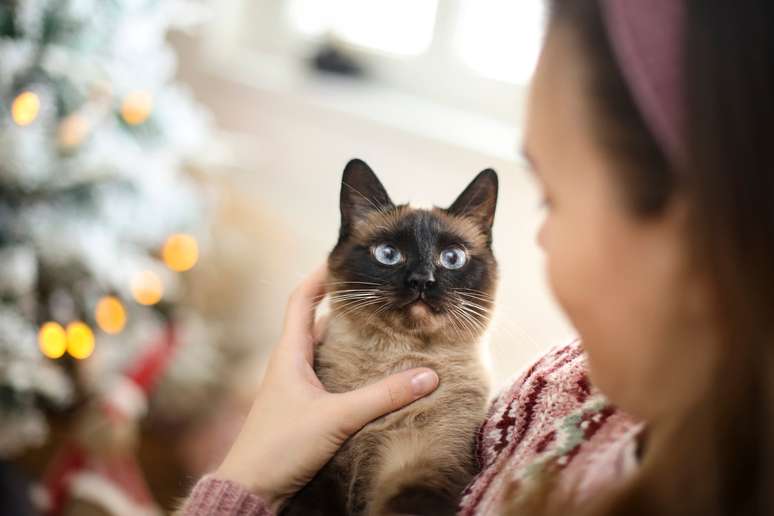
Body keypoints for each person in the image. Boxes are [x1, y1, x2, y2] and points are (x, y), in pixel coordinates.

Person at [178, 0, 774, 514]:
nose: (536, 238)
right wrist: (250, 475)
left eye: (552, 196)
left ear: (694, 230)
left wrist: (242, 483)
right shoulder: (556, 389)